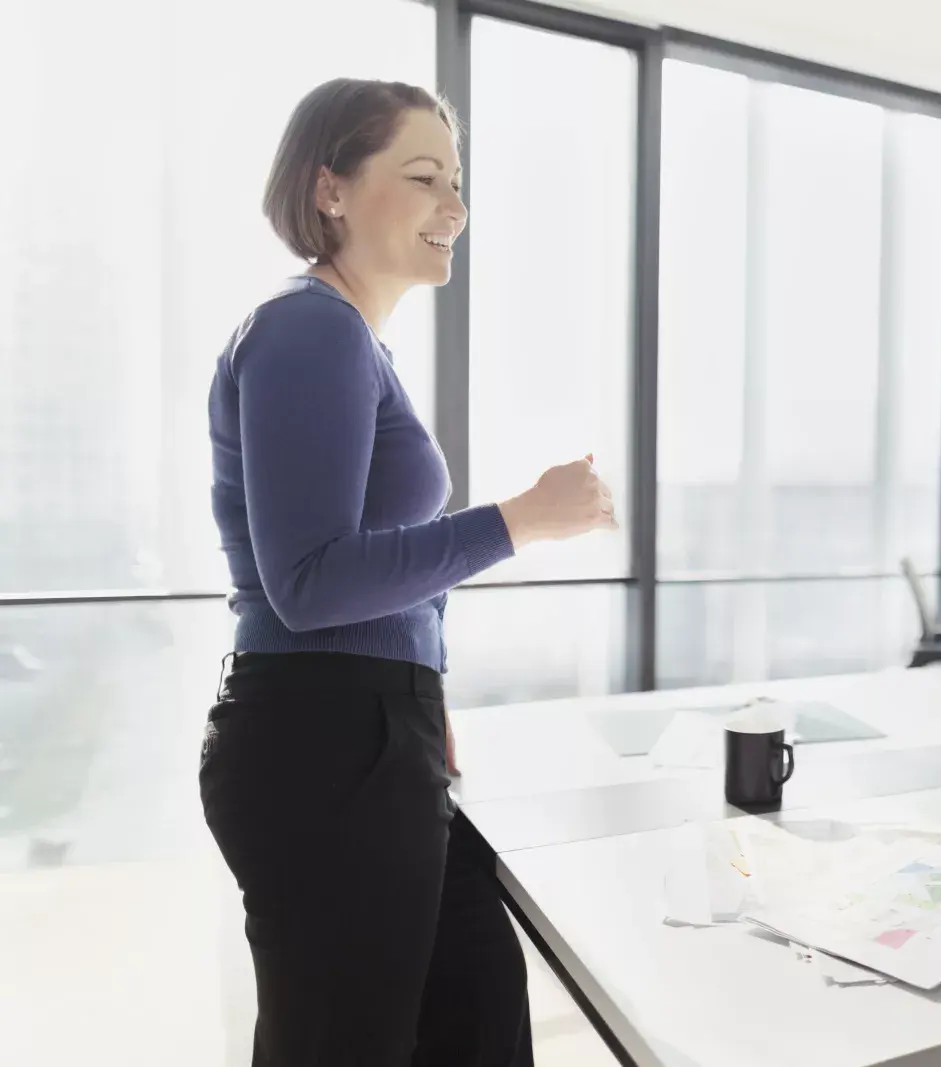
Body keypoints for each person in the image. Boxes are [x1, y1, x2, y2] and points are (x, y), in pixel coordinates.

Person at [200, 78, 616, 1066]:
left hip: (374, 727)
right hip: (323, 741)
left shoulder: (349, 341)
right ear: (330, 190)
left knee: (472, 1011)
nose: (455, 207)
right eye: (424, 176)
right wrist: (520, 519)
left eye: (459, 181)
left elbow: (367, 577)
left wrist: (420, 685)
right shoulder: (309, 329)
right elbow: (309, 580)